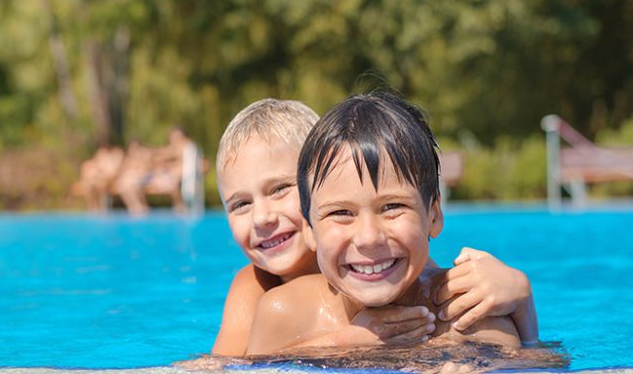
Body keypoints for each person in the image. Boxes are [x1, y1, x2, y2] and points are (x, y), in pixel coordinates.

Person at [214, 98, 537, 357]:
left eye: (392, 207)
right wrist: (344, 345)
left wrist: (521, 299)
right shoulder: (273, 304)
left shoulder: (463, 313)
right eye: (341, 212)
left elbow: (528, 361)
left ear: (433, 215)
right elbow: (229, 367)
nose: (369, 238)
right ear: (311, 222)